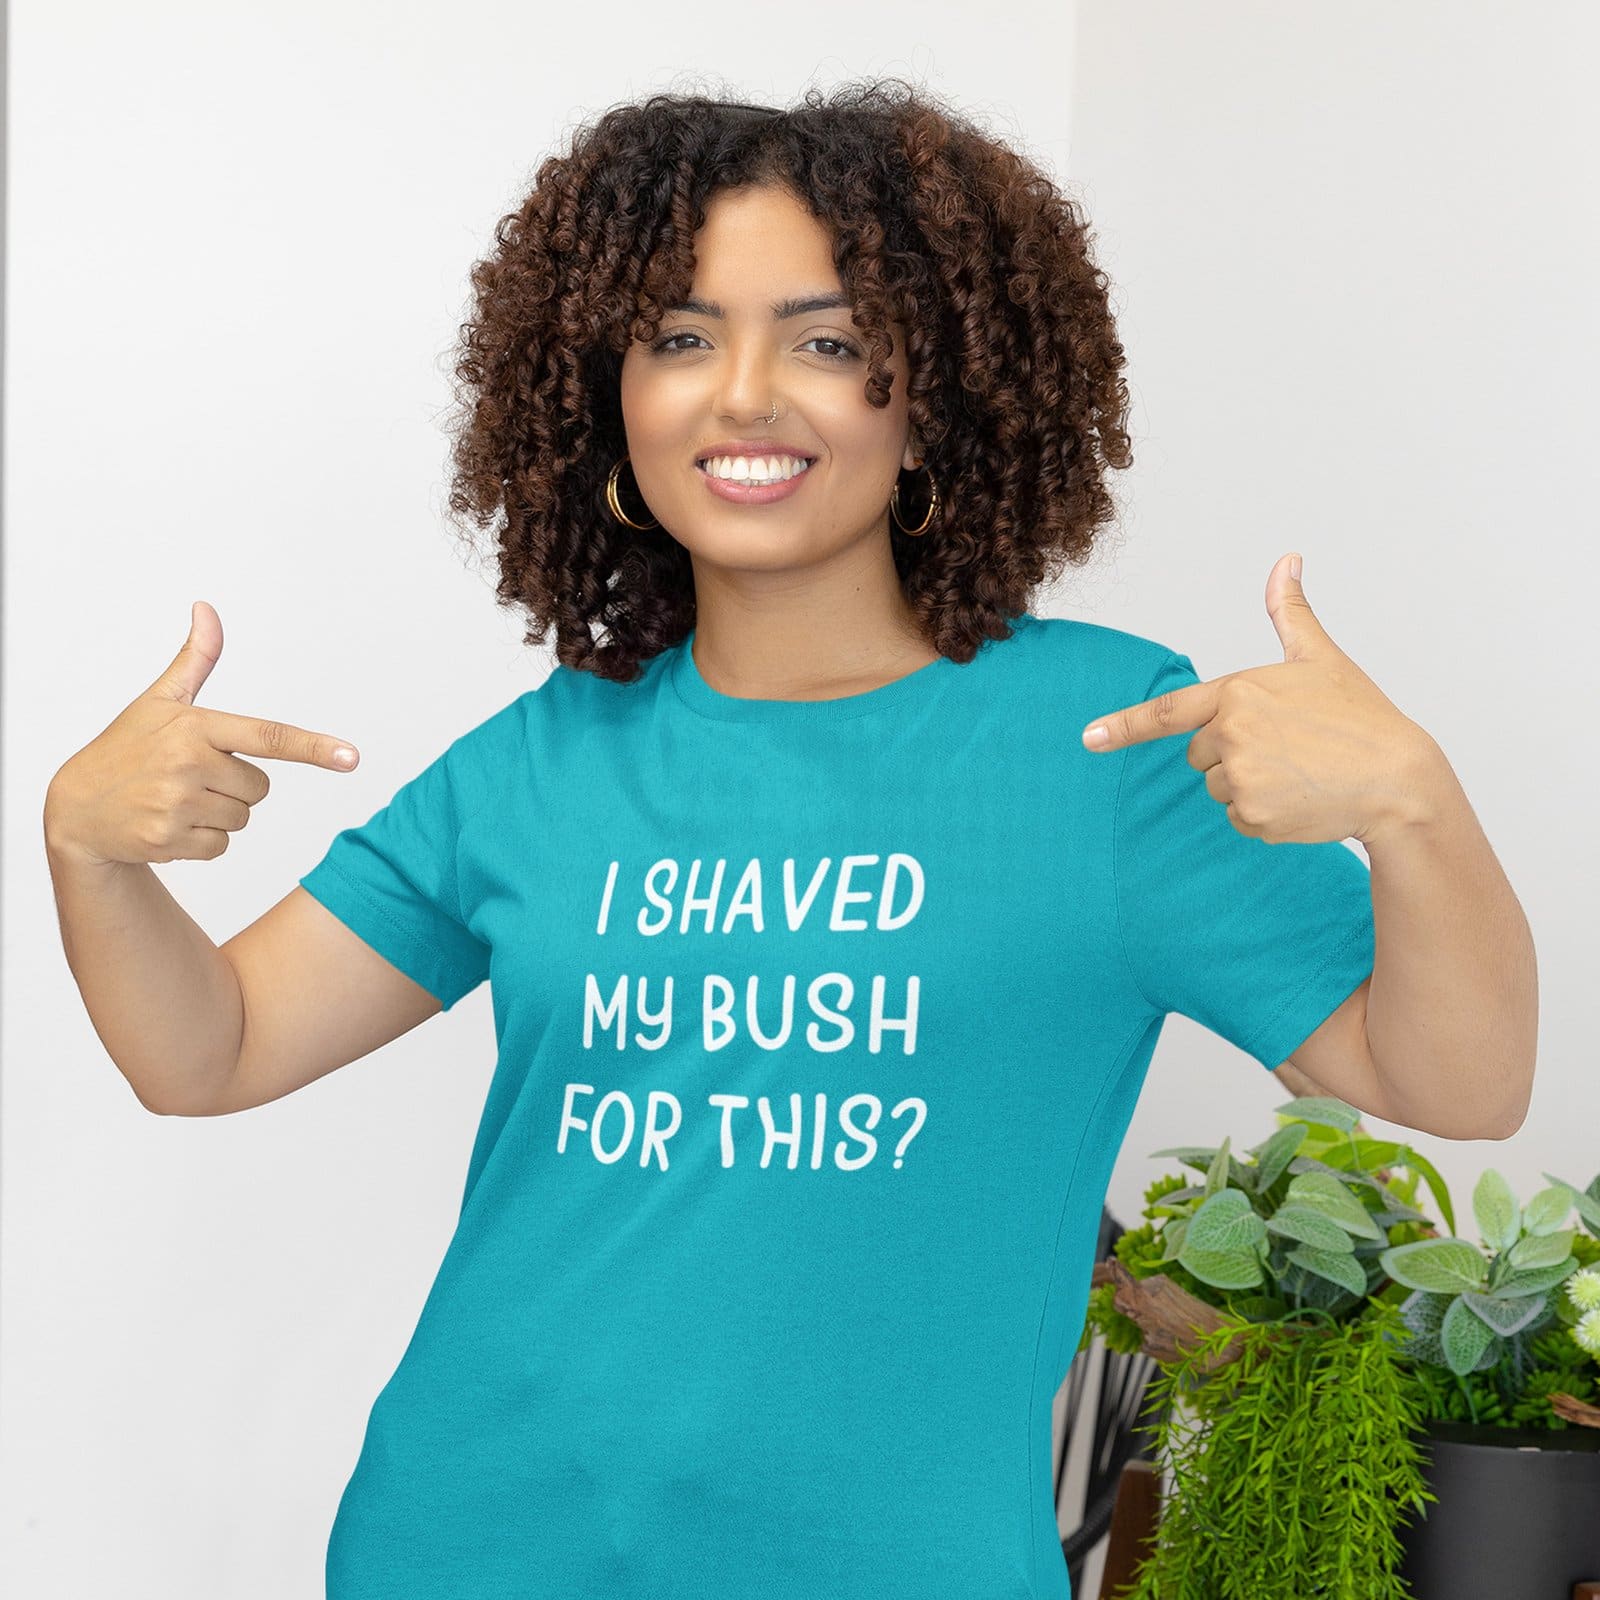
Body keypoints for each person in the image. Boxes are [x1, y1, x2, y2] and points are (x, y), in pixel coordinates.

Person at [46, 80, 1447, 1600]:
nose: (746, 392)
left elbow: (1452, 1076)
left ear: (935, 405)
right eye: (681, 336)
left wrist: (1417, 808)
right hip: (473, 1543)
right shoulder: (547, 757)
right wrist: (89, 852)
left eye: (830, 340)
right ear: (611, 400)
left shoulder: (1107, 738)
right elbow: (212, 1050)